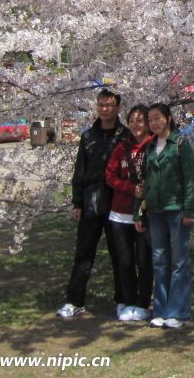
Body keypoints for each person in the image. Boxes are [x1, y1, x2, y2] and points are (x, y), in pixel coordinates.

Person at [56, 89, 130, 319]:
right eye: (101, 105)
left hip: (116, 201)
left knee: (119, 253)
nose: (104, 109)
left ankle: (123, 299)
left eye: (109, 105)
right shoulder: (88, 136)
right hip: (91, 201)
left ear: (118, 108)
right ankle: (74, 300)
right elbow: (80, 171)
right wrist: (77, 202)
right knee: (84, 252)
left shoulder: (125, 135)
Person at [136, 103, 194, 329]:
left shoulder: (181, 144)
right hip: (155, 211)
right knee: (160, 260)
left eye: (157, 118)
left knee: (179, 261)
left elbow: (190, 179)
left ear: (169, 119)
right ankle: (160, 310)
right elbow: (144, 183)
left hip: (176, 209)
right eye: (150, 119)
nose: (153, 123)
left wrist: (189, 210)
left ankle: (179, 312)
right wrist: (138, 213)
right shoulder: (150, 147)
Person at [105, 104, 154, 322]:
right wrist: (130, 189)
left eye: (140, 120)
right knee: (124, 261)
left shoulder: (153, 147)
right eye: (132, 120)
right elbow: (110, 175)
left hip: (145, 214)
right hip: (120, 213)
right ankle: (127, 300)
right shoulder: (121, 148)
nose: (136, 125)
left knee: (144, 261)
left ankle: (143, 303)